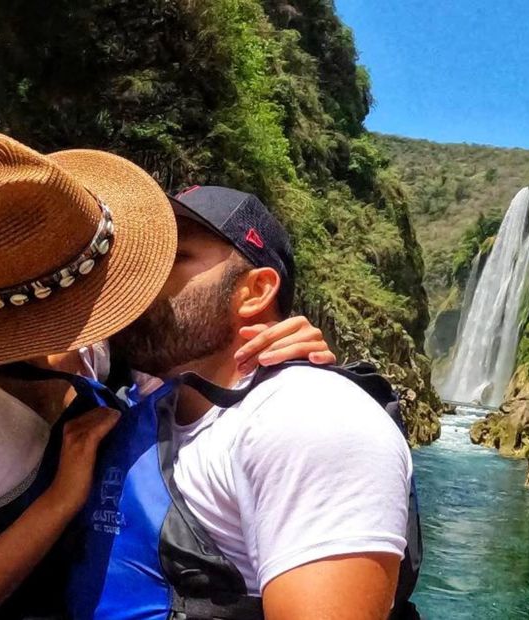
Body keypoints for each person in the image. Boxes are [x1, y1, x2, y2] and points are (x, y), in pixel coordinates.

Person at [0, 134, 335, 620]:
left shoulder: (113, 335)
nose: (109, 308)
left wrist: (282, 361)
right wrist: (62, 500)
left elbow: (200, 379)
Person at [66, 186, 416, 620]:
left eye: (175, 258)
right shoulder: (146, 402)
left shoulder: (308, 418)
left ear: (255, 292)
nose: (142, 280)